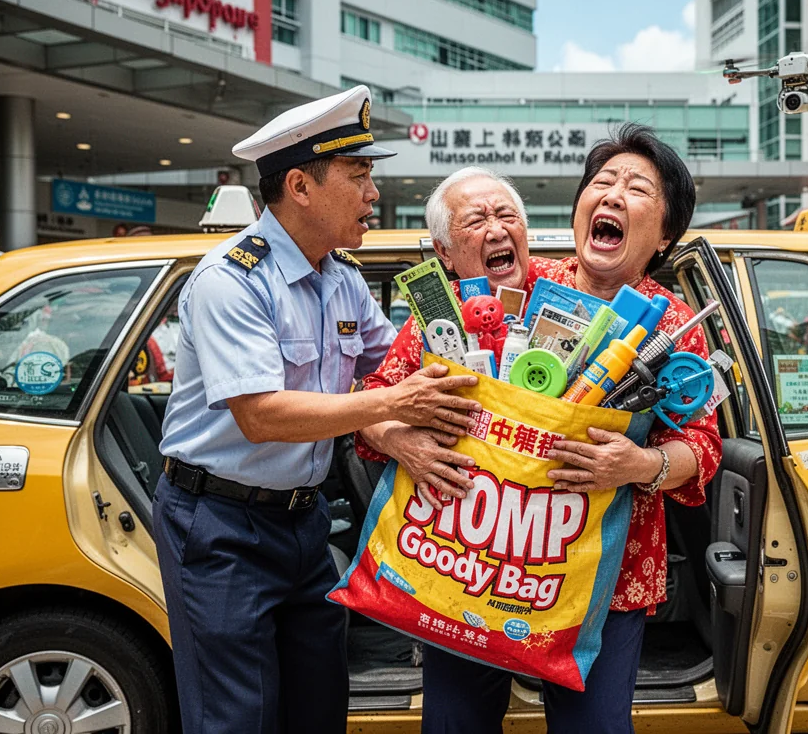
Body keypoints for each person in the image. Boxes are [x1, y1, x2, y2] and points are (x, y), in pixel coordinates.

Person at [153, 86, 482, 734]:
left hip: (304, 523)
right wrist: (394, 406)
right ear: (300, 186)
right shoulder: (232, 281)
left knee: (320, 705)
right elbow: (262, 415)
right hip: (219, 525)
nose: (373, 194)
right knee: (236, 718)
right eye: (359, 177)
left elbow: (393, 368)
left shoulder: (343, 279)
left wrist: (399, 427)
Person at [415, 124, 722, 733]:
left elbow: (703, 445)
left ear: (665, 235)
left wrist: (640, 465)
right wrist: (405, 438)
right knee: (456, 723)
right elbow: (387, 393)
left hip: (603, 577)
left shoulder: (676, 326)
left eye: (638, 188)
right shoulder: (520, 285)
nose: (612, 195)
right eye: (602, 182)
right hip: (475, 561)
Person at [356, 165, 547, 507]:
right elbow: (373, 400)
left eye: (507, 215)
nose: (496, 231)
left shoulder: (563, 286)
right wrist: (399, 441)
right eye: (476, 221)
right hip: (462, 515)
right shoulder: (437, 314)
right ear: (444, 252)